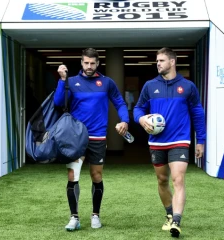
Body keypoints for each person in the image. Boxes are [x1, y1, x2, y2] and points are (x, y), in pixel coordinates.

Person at [54, 48, 130, 231]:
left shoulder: (106, 83)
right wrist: (62, 80)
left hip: (98, 136)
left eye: (92, 63)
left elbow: (119, 103)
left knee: (96, 176)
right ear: (81, 62)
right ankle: (74, 217)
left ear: (98, 63)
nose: (89, 66)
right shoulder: (71, 82)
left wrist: (125, 120)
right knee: (73, 176)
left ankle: (95, 214)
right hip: (76, 137)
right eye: (86, 63)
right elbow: (58, 102)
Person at [133, 47, 206, 238]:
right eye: (157, 60)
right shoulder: (150, 86)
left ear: (172, 62)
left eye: (162, 60)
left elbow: (197, 113)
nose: (158, 63)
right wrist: (141, 120)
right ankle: (169, 213)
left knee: (178, 179)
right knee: (162, 180)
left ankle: (177, 221)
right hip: (157, 142)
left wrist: (201, 140)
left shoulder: (188, 86)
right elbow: (138, 108)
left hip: (180, 139)